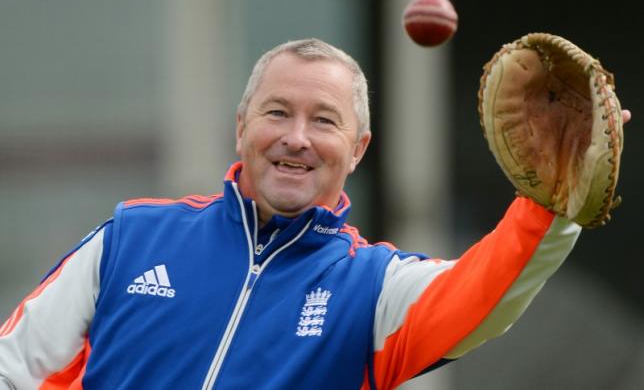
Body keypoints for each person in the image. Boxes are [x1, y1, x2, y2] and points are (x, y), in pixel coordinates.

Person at [0, 38, 632, 390]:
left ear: (357, 150)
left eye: (324, 120)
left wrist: (549, 209)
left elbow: (483, 293)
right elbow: (14, 368)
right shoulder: (132, 236)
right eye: (277, 112)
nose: (296, 137)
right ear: (241, 126)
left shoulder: (376, 286)